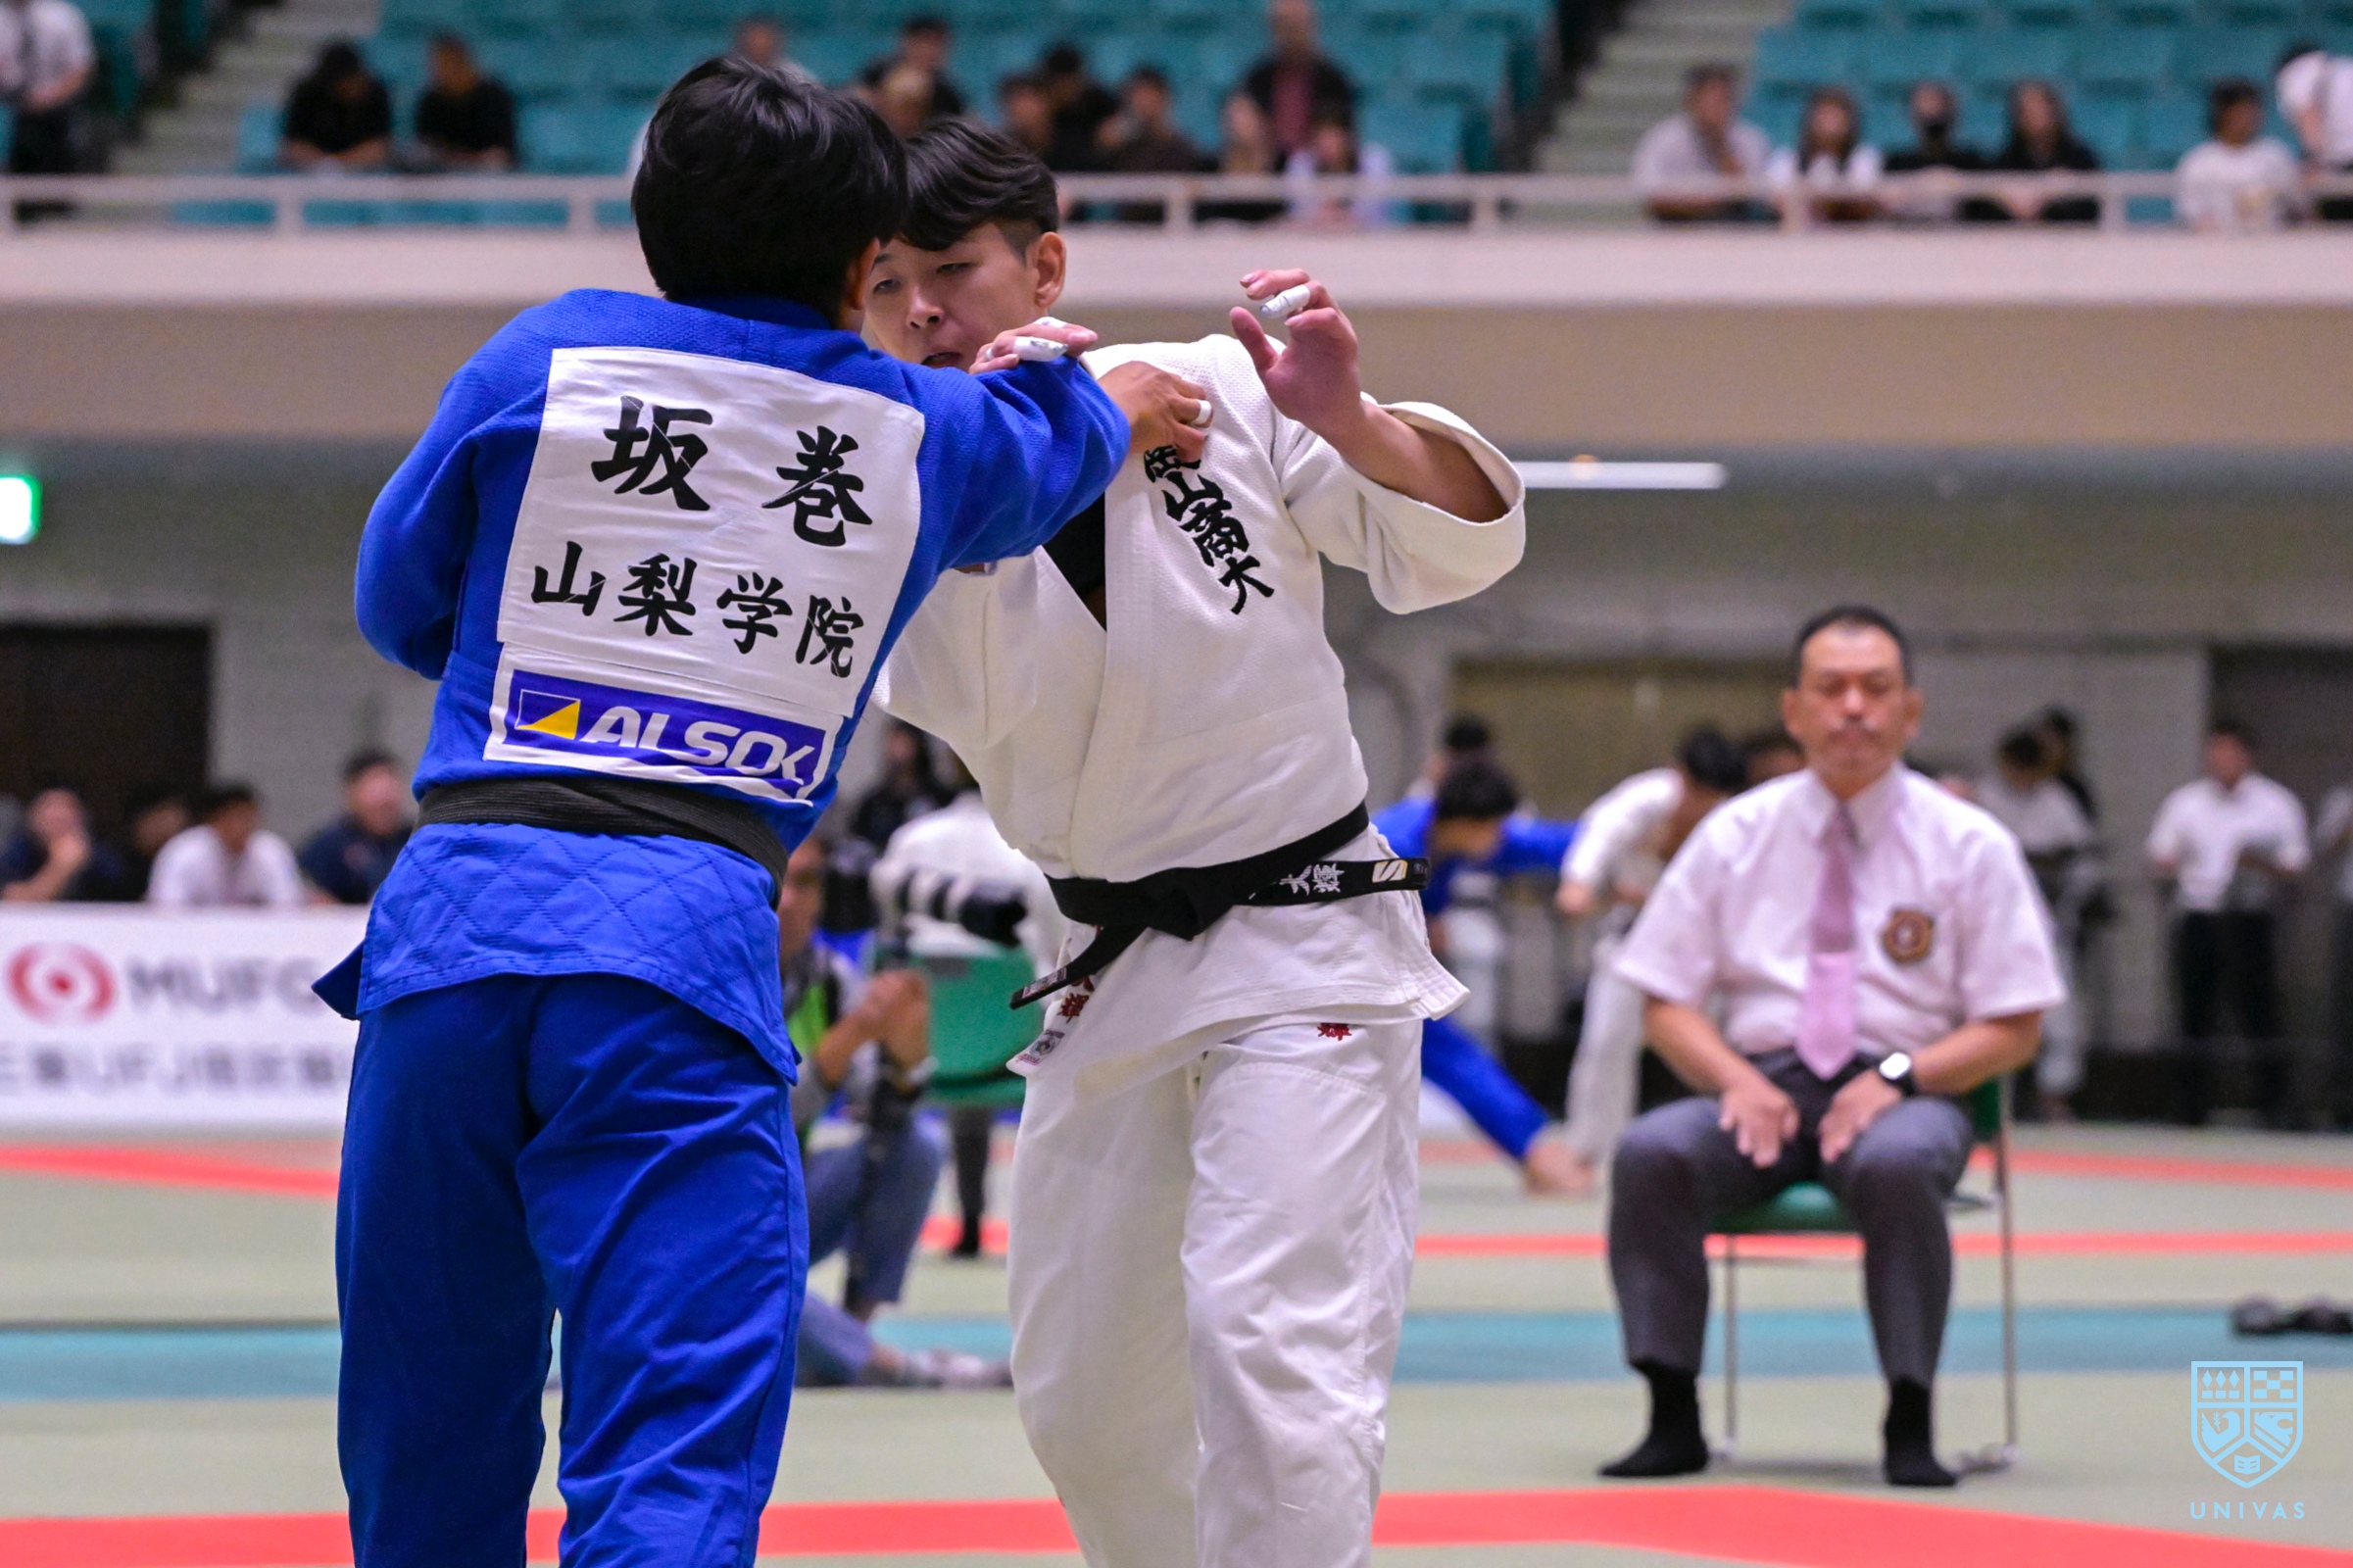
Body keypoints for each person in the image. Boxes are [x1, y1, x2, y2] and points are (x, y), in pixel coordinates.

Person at [313, 61, 1173, 1568]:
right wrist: (1116, 399)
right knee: (672, 1453)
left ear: (654, 227)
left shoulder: (543, 356)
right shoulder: (916, 427)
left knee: (424, 1426)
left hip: (450, 942)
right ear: (864, 266)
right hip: (674, 962)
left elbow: (398, 605)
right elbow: (1060, 442)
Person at [866, 119, 1523, 1567]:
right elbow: (954, 695)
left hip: (1304, 938)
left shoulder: (1218, 385)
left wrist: (1352, 421)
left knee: (1269, 1349)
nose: (920, 312)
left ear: (1043, 267)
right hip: (1106, 969)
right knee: (1086, 1402)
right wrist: (1042, 448)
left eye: (951, 271)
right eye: (887, 284)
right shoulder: (896, 479)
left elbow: (1444, 545)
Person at [1602, 606, 2062, 1489]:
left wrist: (1897, 1076)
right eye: (1831, 689)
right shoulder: (1734, 834)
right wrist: (1733, 1081)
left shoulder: (1970, 844)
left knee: (1896, 1165)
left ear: (1909, 711)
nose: (1853, 707)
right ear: (1794, 710)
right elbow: (1663, 1000)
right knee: (1652, 1153)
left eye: (1875, 689)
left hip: (1911, 1087)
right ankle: (1670, 1412)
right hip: (1765, 1084)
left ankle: (1909, 1416)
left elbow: (2016, 1025)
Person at [776, 836, 1009, 1389]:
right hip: (714, 1214)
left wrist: (906, 1065)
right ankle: (896, 1368)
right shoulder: (717, 981)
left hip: (787, 1197)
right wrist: (849, 1039)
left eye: (806, 883)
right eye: (777, 881)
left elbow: (881, 1113)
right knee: (748, 1269)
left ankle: (850, 1331)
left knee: (917, 1146)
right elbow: (754, 1119)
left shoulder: (830, 978)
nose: (788, 900)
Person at [869, 757, 1065, 1260]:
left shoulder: (909, 842)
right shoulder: (1032, 852)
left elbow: (886, 942)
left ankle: (883, 1239)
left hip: (924, 1037)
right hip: (1010, 1040)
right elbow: (1059, 951)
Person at [1374, 762, 1590, 1192]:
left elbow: (1542, 844)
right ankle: (1533, 1150)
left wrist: (1611, 850)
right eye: (1494, 827)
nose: (1499, 836)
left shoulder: (1454, 837)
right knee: (1448, 1052)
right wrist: (1417, 929)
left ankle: (1532, 1148)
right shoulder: (1393, 844)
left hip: (1397, 971)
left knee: (1446, 1053)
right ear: (1468, 823)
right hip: (1360, 974)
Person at [1551, 727, 1748, 1192]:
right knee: (1606, 1044)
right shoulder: (1645, 800)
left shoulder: (1733, 821)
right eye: (1697, 791)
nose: (1702, 804)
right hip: (1633, 939)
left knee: (1732, 1040)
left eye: (1713, 796)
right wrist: (1579, 881)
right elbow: (1602, 832)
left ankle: (1744, 1141)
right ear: (1681, 776)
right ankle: (1593, 1152)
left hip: (1702, 945)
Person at [2146, 720, 2309, 1129]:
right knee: (2194, 1010)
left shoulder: (2275, 803)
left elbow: (2297, 863)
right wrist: (2174, 864)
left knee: (2259, 1010)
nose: (2222, 760)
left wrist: (2257, 862)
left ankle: (2275, 1105)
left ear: (2247, 755)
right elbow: (2159, 854)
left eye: (2230, 752)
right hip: (2199, 912)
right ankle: (2189, 1107)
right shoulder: (2185, 803)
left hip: (2251, 916)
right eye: (2215, 752)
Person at [1974, 727, 2097, 1118]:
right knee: (1988, 1012)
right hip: (1990, 926)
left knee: (2060, 1016)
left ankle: (2055, 1097)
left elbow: (2084, 862)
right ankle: (1989, 1101)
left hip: (2048, 921)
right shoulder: (1984, 798)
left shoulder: (2057, 802)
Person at [1633, 65, 1770, 223]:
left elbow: (1751, 194)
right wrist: (1700, 202)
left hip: (1734, 225)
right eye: (1710, 99)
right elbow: (1651, 194)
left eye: (1723, 99)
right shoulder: (1664, 138)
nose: (1716, 108)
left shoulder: (1750, 139)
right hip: (1674, 225)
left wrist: (1720, 145)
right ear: (1692, 101)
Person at [0, 0, 96, 221]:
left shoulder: (61, 16)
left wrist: (49, 96)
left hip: (55, 103)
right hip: (9, 98)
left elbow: (80, 68)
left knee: (47, 128)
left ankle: (57, 204)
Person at [147, 784, 305, 909]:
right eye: (232, 819)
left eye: (246, 819)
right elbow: (166, 907)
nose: (239, 828)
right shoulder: (183, 852)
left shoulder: (271, 852)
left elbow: (288, 907)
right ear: (213, 820)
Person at [2176, 78, 2303, 232]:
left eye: (2252, 111)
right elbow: (2190, 215)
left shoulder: (2275, 155)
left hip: (2271, 241)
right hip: (2216, 243)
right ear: (2223, 114)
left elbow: (2295, 206)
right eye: (2240, 112)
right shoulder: (2198, 162)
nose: (2248, 119)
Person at [1243, 0, 1356, 162]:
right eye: (1283, 25)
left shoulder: (1334, 82)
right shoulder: (1257, 80)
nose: (1290, 33)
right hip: (1270, 167)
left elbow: (1344, 137)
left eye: (1296, 25)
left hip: (1317, 168)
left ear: (1312, 26)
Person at [298, 751, 415, 906]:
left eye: (389, 800)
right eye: (375, 796)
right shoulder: (327, 848)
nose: (384, 802)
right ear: (352, 793)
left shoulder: (418, 840)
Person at [1987, 79, 2100, 225]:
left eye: (2041, 109)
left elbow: (2092, 211)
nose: (2035, 116)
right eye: (2027, 110)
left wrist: (2057, 192)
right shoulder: (2005, 162)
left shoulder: (2081, 159)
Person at [1769, 86, 1882, 224]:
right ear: (1810, 119)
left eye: (1835, 117)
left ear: (1849, 122)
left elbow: (1861, 200)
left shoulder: (1864, 157)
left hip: (1848, 229)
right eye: (1824, 116)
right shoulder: (1786, 158)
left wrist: (1828, 201)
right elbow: (1776, 199)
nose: (1829, 124)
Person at [1882, 80, 1987, 222]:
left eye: (1936, 102)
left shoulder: (1971, 162)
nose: (1931, 110)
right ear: (1912, 113)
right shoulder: (1896, 163)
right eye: (1925, 102)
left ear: (1951, 110)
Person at [2311, 778, 2353, 1129]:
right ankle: (2344, 1102)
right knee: (2347, 1007)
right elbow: (2324, 848)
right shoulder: (2344, 798)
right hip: (2351, 908)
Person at [0, 786, 127, 902]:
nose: (57, 817)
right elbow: (12, 902)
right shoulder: (17, 853)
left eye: (67, 808)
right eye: (49, 807)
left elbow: (123, 899)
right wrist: (60, 868)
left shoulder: (101, 859)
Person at [279, 41, 393, 172]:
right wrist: (326, 164)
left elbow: (380, 146)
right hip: (311, 166)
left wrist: (340, 163)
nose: (349, 89)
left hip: (363, 165)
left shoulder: (375, 93)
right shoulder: (307, 93)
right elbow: (293, 146)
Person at [413, 33, 515, 172]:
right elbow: (425, 147)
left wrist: (466, 160)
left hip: (491, 175)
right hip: (443, 174)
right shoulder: (430, 101)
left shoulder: (494, 97)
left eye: (447, 63)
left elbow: (502, 153)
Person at [1284, 103, 1397, 228]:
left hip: (1367, 236)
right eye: (1321, 137)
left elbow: (1374, 211)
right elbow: (1300, 211)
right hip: (1314, 235)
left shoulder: (1375, 160)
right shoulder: (1300, 162)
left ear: (1348, 137)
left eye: (1333, 137)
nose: (1326, 144)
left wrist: (1345, 219)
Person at [2276, 42, 2353, 220]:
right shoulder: (2345, 66)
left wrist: (2315, 160)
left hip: (2343, 164)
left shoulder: (2297, 72)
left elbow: (2308, 114)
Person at [1198, 90, 1286, 225]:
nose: (1235, 122)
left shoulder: (1284, 165)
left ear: (1262, 118)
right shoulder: (1209, 167)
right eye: (1230, 115)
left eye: (1243, 113)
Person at [860, 16, 964, 122]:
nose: (927, 51)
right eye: (922, 43)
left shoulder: (946, 95)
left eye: (934, 44)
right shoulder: (878, 73)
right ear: (906, 43)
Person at [1039, 42, 1120, 172]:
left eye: (1070, 82)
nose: (1066, 90)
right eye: (1061, 84)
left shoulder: (1102, 103)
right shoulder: (1040, 110)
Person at [117, 786, 192, 902]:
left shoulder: (188, 862)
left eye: (168, 818)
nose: (164, 827)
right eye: (159, 818)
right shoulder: (116, 871)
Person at [998, 74, 1054, 161]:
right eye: (1016, 102)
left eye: (1030, 99)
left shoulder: (1070, 143)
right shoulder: (1000, 149)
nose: (1024, 108)